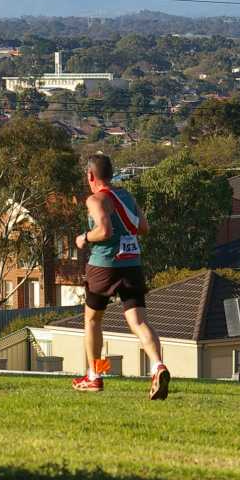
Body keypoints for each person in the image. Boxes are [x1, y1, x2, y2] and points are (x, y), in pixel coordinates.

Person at [73, 154, 170, 400]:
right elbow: (144, 228)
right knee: (138, 321)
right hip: (132, 264)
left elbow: (104, 231)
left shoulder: (95, 199)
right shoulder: (126, 196)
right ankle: (158, 366)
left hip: (104, 266)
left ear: (90, 176)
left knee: (93, 320)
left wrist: (84, 237)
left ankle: (94, 376)